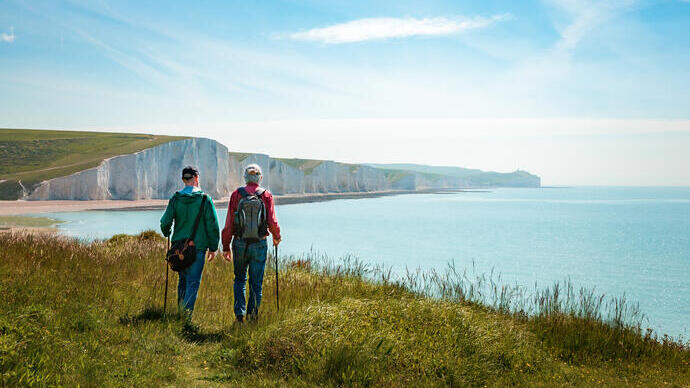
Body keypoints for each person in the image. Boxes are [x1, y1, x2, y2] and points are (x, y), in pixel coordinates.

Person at [222, 164, 281, 323]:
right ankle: (252, 316)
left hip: (240, 243)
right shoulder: (266, 195)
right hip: (259, 244)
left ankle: (239, 316)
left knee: (240, 280)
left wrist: (226, 246)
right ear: (260, 178)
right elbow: (272, 221)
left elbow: (229, 223)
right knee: (256, 282)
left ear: (245, 178)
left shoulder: (236, 194)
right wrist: (276, 236)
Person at [161, 165, 220, 319]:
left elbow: (165, 222)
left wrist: (166, 232)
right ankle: (185, 319)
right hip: (198, 248)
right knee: (193, 283)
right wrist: (213, 247)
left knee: (183, 280)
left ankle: (180, 315)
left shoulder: (175, 198)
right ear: (196, 179)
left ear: (183, 180)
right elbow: (212, 225)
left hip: (178, 249)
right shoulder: (205, 199)